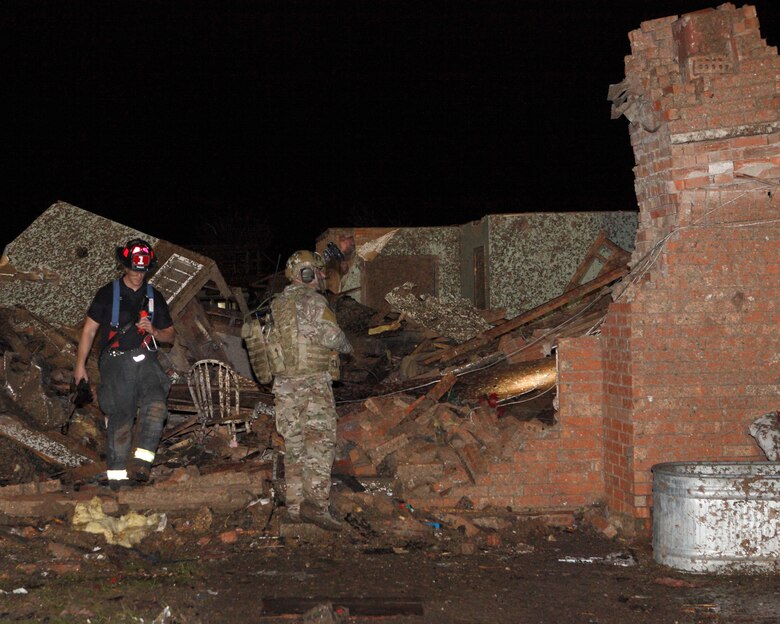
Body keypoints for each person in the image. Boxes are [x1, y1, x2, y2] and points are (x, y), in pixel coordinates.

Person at [74, 238, 175, 490]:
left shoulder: (154, 297)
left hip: (146, 359)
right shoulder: (107, 293)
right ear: (124, 266)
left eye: (143, 270)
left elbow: (170, 336)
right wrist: (80, 365)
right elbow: (88, 331)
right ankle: (117, 479)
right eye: (134, 269)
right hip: (116, 360)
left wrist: (154, 331)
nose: (138, 275)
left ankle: (141, 464)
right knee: (122, 417)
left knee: (156, 406)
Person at [271, 250, 352, 531]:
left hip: (283, 385)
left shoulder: (277, 303)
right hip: (312, 383)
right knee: (319, 443)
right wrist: (346, 345)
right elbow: (333, 337)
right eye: (317, 272)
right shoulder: (314, 301)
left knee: (293, 445)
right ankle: (316, 507)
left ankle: (294, 506)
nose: (321, 277)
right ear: (306, 274)